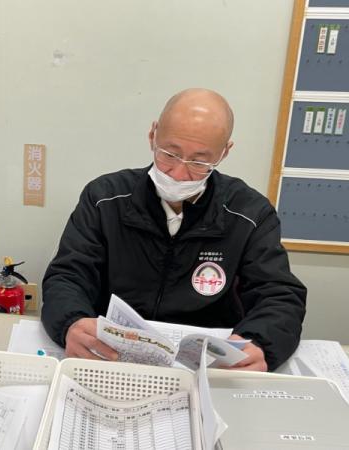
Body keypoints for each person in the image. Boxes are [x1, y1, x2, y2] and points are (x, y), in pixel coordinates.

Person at [41, 88, 307, 372]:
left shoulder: (250, 213)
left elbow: (278, 294)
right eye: (169, 154)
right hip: (112, 357)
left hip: (208, 366)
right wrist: (71, 322)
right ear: (153, 135)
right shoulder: (105, 198)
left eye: (199, 162)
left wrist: (261, 343)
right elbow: (68, 275)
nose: (179, 174)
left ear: (224, 152)